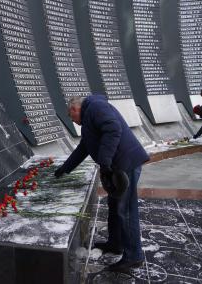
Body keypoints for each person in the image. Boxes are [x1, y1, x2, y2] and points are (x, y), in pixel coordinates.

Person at [54, 94, 150, 273]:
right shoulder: (90, 118)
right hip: (116, 166)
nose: (72, 120)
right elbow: (83, 148)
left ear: (75, 109)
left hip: (125, 165)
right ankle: (115, 243)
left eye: (70, 116)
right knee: (114, 205)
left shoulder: (96, 107)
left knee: (125, 210)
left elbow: (113, 129)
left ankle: (134, 256)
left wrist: (105, 162)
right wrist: (65, 168)